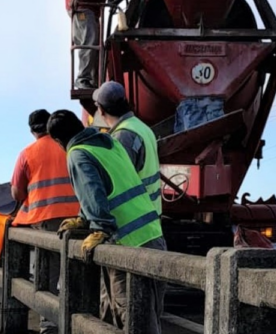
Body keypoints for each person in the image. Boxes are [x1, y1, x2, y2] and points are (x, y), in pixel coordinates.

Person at [47, 109, 166, 334]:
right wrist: (84, 219)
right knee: (150, 314)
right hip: (152, 233)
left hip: (127, 240)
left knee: (129, 316)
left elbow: (92, 191)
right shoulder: (109, 143)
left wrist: (99, 227)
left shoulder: (78, 153)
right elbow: (109, 185)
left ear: (58, 141)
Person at [10, 109, 81, 334]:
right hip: (78, 218)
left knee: (46, 274)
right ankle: (79, 322)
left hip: (45, 220)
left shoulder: (27, 153)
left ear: (32, 131)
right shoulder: (69, 146)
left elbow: (16, 193)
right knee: (75, 270)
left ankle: (49, 325)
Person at [92, 81, 162, 215]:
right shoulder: (141, 127)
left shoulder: (123, 136)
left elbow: (118, 183)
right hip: (150, 212)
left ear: (101, 110)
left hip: (136, 217)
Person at [66, 0, 111, 89]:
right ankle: (83, 79)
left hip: (94, 9)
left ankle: (95, 81)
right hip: (82, 7)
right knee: (89, 40)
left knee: (97, 45)